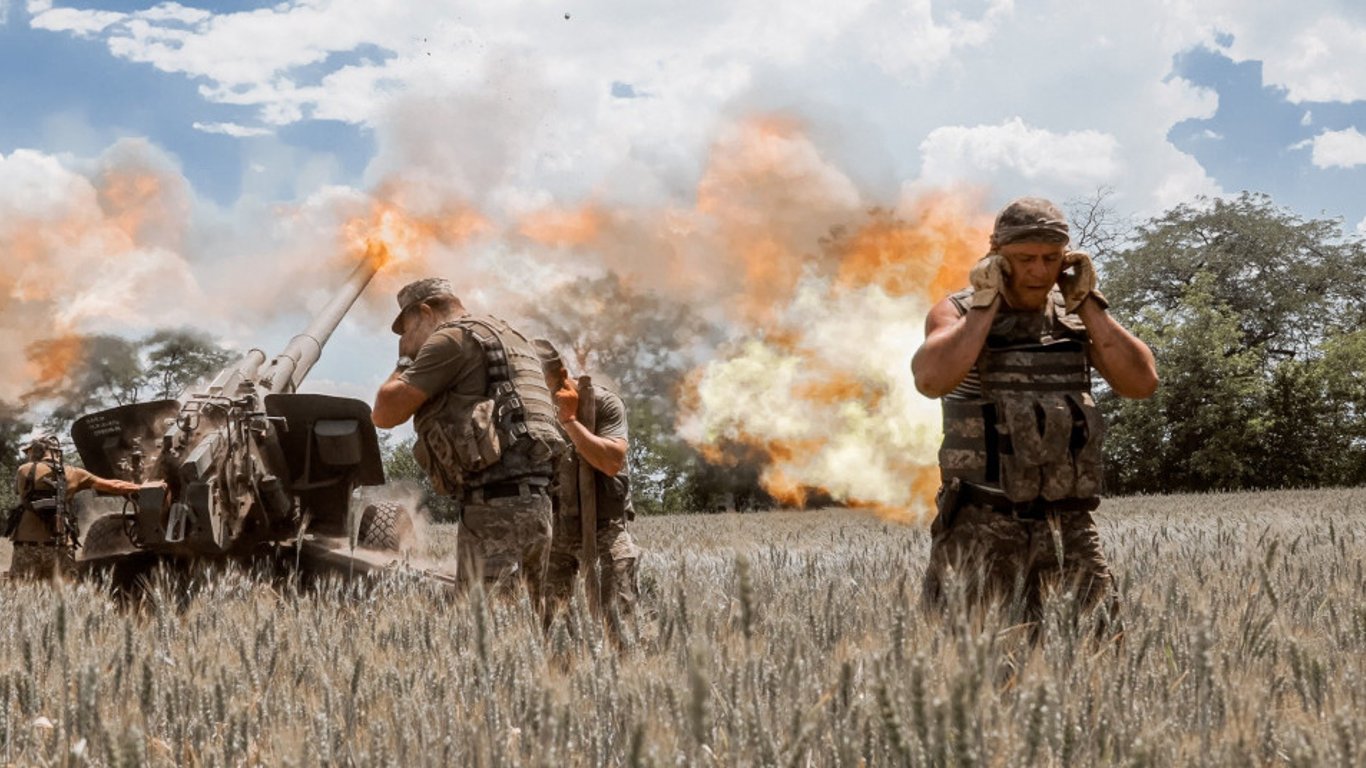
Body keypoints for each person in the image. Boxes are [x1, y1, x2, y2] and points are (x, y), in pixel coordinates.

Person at [910, 197, 1158, 629]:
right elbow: (931, 380)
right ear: (996, 254)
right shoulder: (959, 311)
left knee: (1098, 650)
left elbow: (1141, 383)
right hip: (981, 522)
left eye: (1051, 258)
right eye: (1025, 259)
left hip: (1068, 525)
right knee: (974, 659)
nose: (1039, 272)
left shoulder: (1077, 314)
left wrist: (1088, 304)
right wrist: (986, 304)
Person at [372, 278, 565, 607]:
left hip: (495, 511)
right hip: (536, 506)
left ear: (425, 312)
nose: (407, 338)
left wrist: (404, 360)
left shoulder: (451, 339)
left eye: (408, 328)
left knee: (486, 626)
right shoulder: (509, 336)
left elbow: (385, 413)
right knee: (525, 622)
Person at [534, 341, 641, 632]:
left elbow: (611, 462)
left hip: (606, 529)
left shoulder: (604, 403)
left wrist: (569, 421)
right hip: (558, 529)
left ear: (561, 375)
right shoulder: (534, 410)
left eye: (542, 384)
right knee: (551, 627)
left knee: (619, 622)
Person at [7, 434, 143, 579]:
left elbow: (18, 492)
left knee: (21, 587)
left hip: (26, 545)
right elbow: (114, 486)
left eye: (29, 452)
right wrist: (142, 487)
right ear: (57, 452)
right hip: (61, 546)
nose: (28, 455)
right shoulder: (74, 473)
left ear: (36, 451)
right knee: (65, 590)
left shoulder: (23, 470)